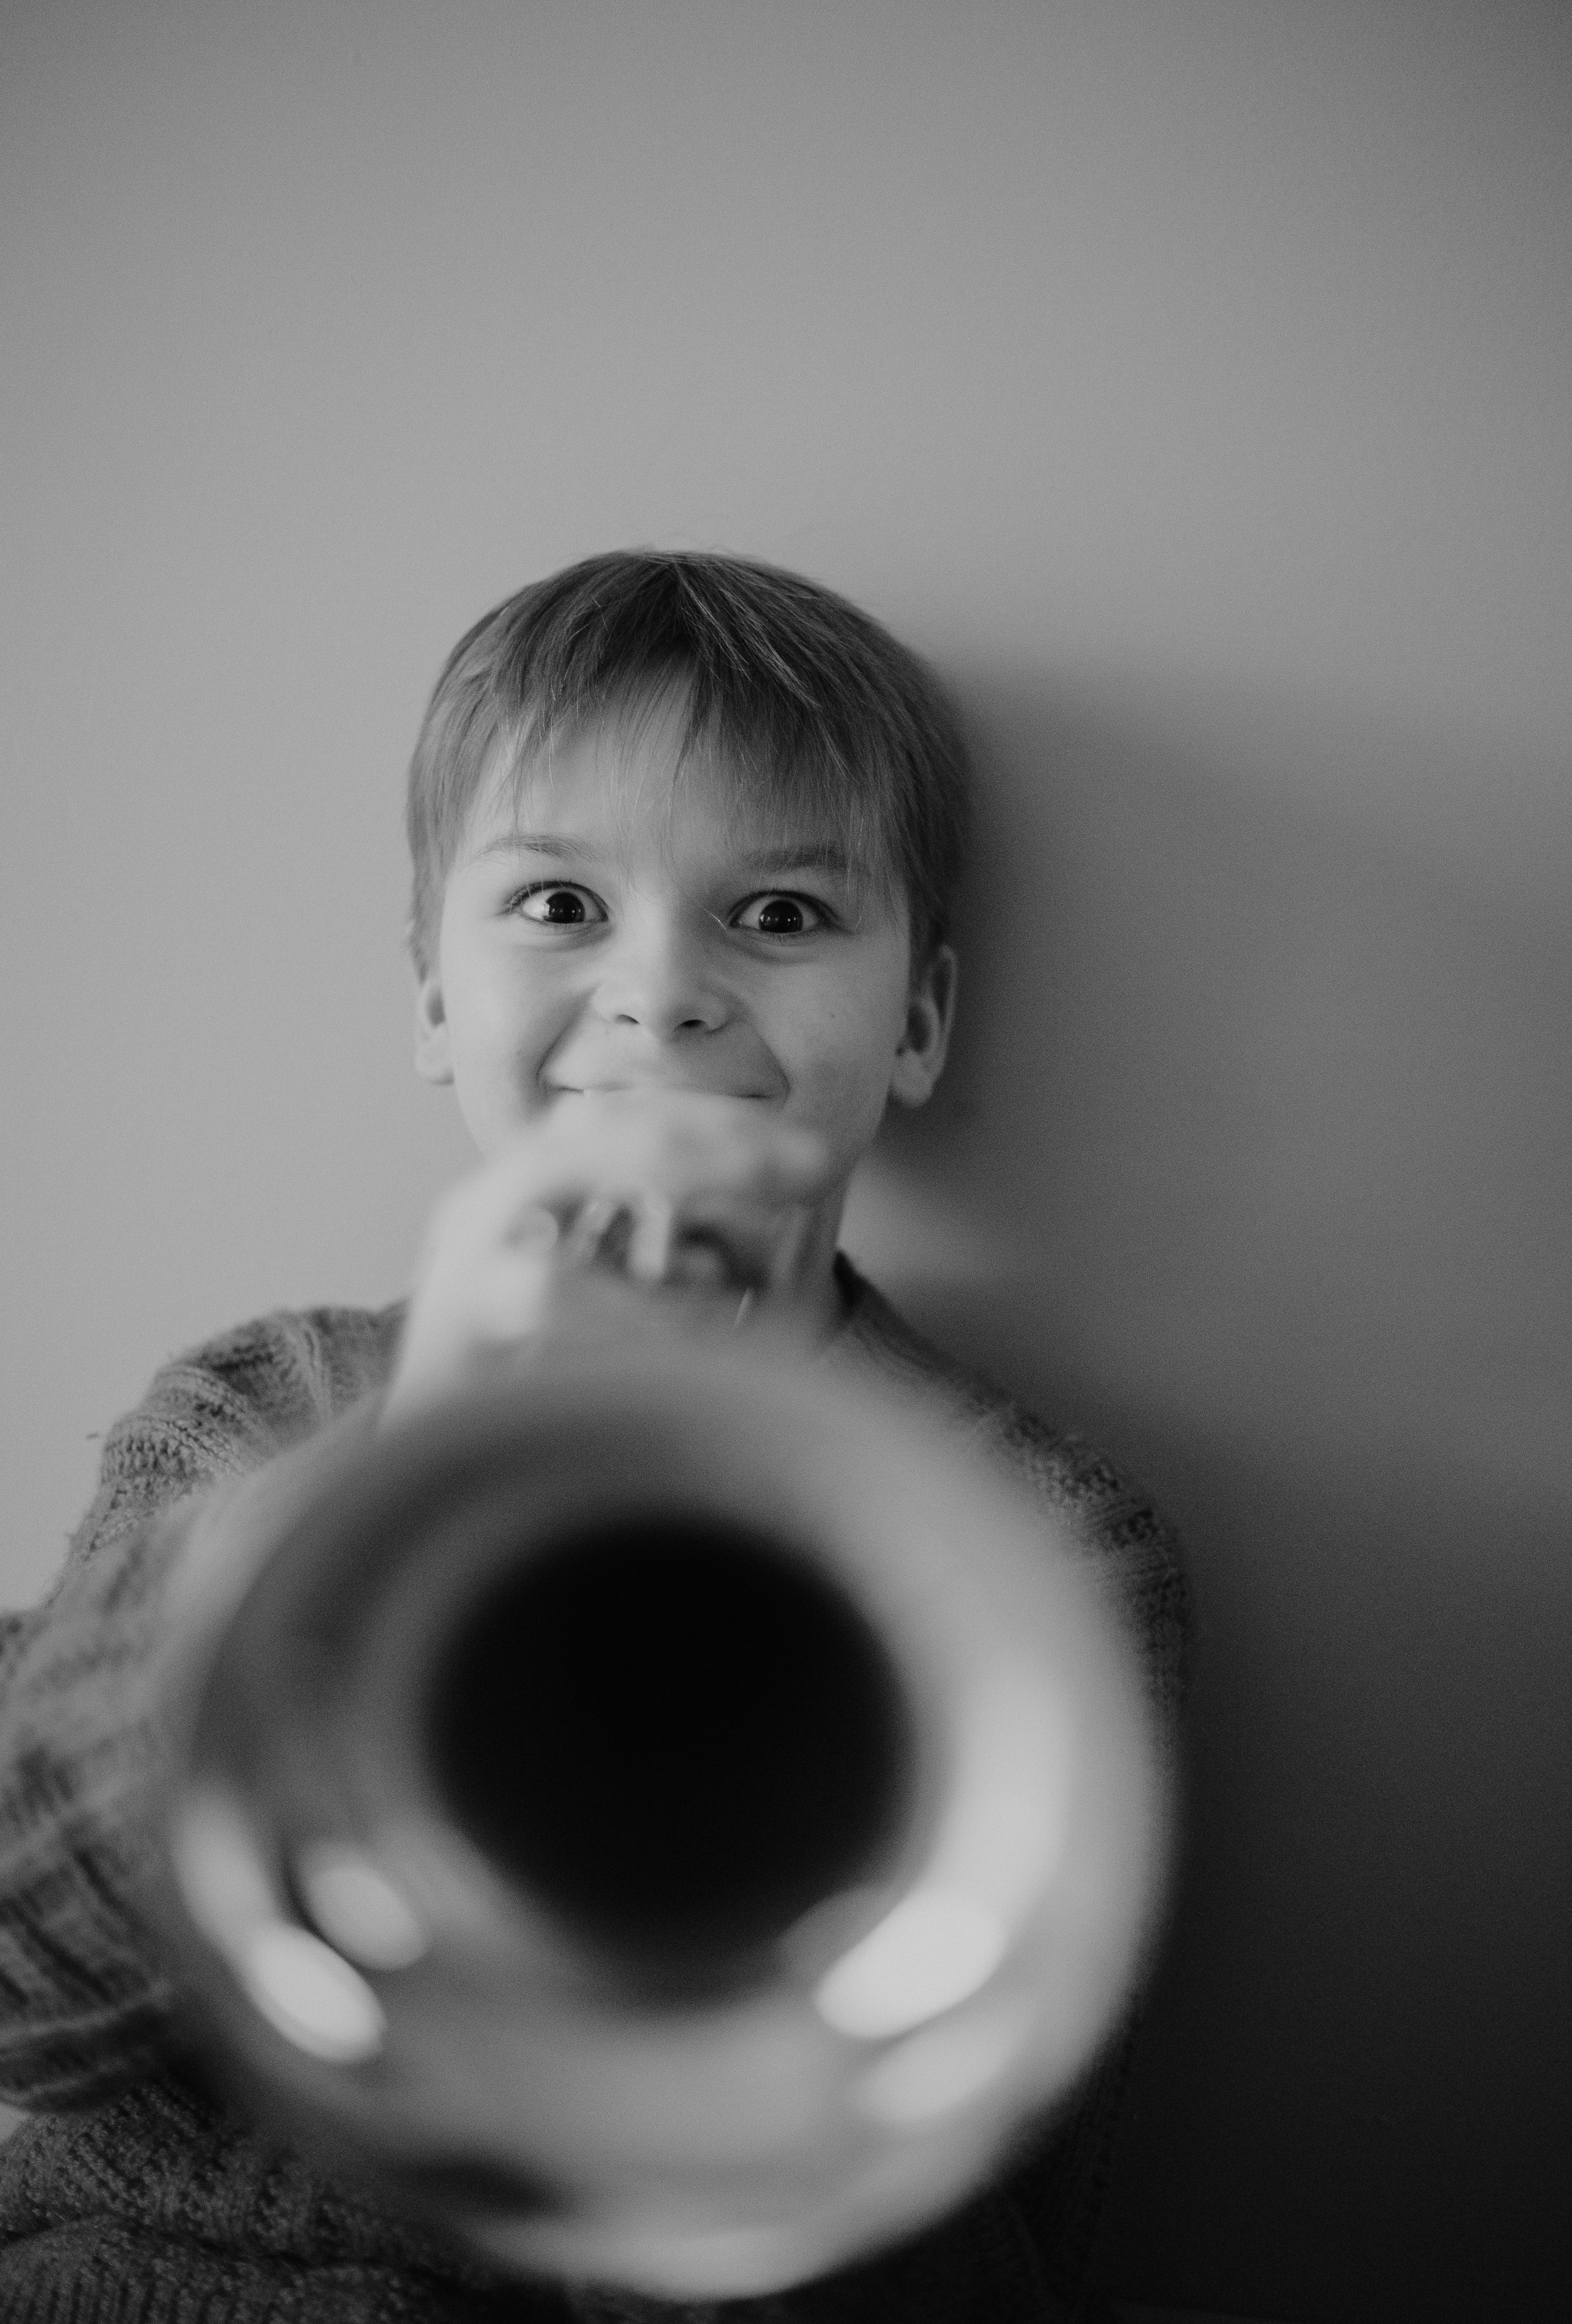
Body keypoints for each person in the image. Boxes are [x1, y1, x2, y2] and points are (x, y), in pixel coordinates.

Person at [0, 552, 1188, 2323]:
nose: (663, 995)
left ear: (918, 1018)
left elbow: (994, 2222)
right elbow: (25, 1992)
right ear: (430, 999)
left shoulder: (1040, 1540)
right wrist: (382, 1478)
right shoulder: (250, 1417)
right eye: (558, 905)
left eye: (779, 915)